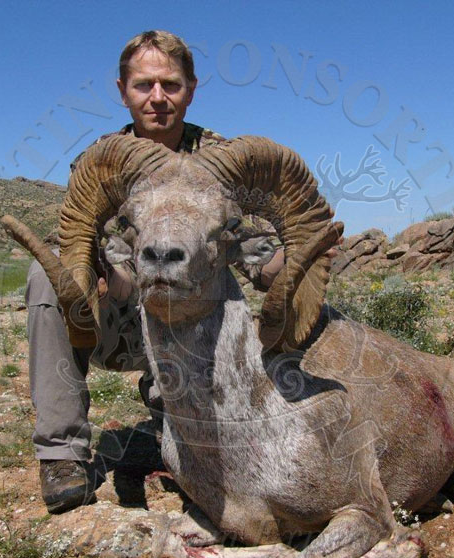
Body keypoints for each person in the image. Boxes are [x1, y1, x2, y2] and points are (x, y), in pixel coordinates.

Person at [25, 31, 286, 514]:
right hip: (129, 318)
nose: (158, 98)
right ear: (123, 89)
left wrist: (299, 257)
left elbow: (257, 256)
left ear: (191, 88)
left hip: (205, 331)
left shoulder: (222, 161)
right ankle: (62, 454)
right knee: (49, 273)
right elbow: (94, 252)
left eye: (171, 84)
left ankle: (182, 412)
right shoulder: (101, 163)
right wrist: (95, 278)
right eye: (145, 85)